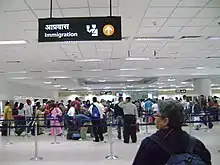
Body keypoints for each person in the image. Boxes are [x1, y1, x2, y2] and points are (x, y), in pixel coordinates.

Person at [133, 100, 211, 165]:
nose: (155, 119)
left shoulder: (150, 144)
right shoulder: (196, 144)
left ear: (165, 121)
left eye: (157, 116)